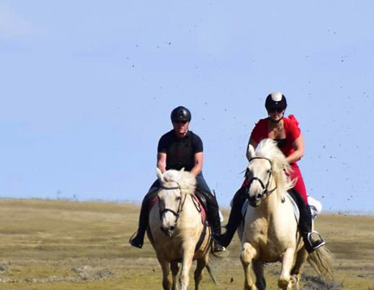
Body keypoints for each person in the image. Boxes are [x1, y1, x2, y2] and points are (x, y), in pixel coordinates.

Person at [216, 92, 326, 251]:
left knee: (302, 200)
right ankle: (226, 237)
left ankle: (308, 236)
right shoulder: (261, 125)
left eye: (279, 109)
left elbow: (300, 150)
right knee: (240, 195)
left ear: (284, 109)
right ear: (267, 110)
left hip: (287, 167)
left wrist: (281, 162)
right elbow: (250, 147)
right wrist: (254, 161)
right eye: (272, 110)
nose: (275, 113)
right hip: (263, 168)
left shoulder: (290, 126)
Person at [128, 106, 224, 253]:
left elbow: (198, 164)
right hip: (169, 176)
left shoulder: (196, 140)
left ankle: (217, 238)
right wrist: (166, 177)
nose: (180, 125)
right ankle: (140, 235)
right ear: (172, 123)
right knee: (148, 198)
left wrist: (186, 179)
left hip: (192, 175)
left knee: (210, 199)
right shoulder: (165, 139)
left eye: (183, 122)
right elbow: (161, 162)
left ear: (188, 123)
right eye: (177, 122)